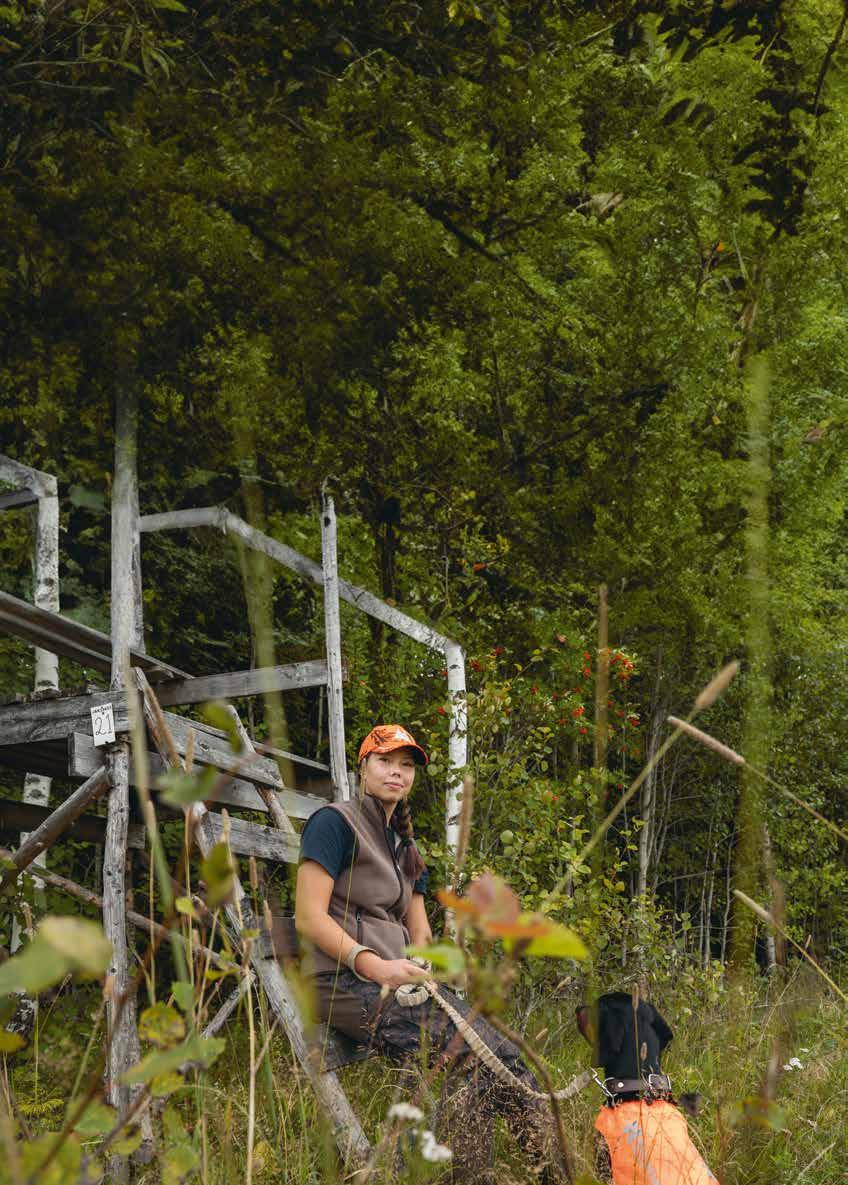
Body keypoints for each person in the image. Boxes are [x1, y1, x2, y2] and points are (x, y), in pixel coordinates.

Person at [295, 723, 567, 1184]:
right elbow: (308, 917)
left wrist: (431, 969)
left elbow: (420, 933)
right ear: (363, 767)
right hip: (340, 983)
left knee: (505, 1059)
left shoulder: (406, 846)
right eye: (384, 761)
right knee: (475, 1059)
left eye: (406, 765)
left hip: (400, 986)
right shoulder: (334, 824)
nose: (396, 772)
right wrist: (376, 965)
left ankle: (550, 1176)